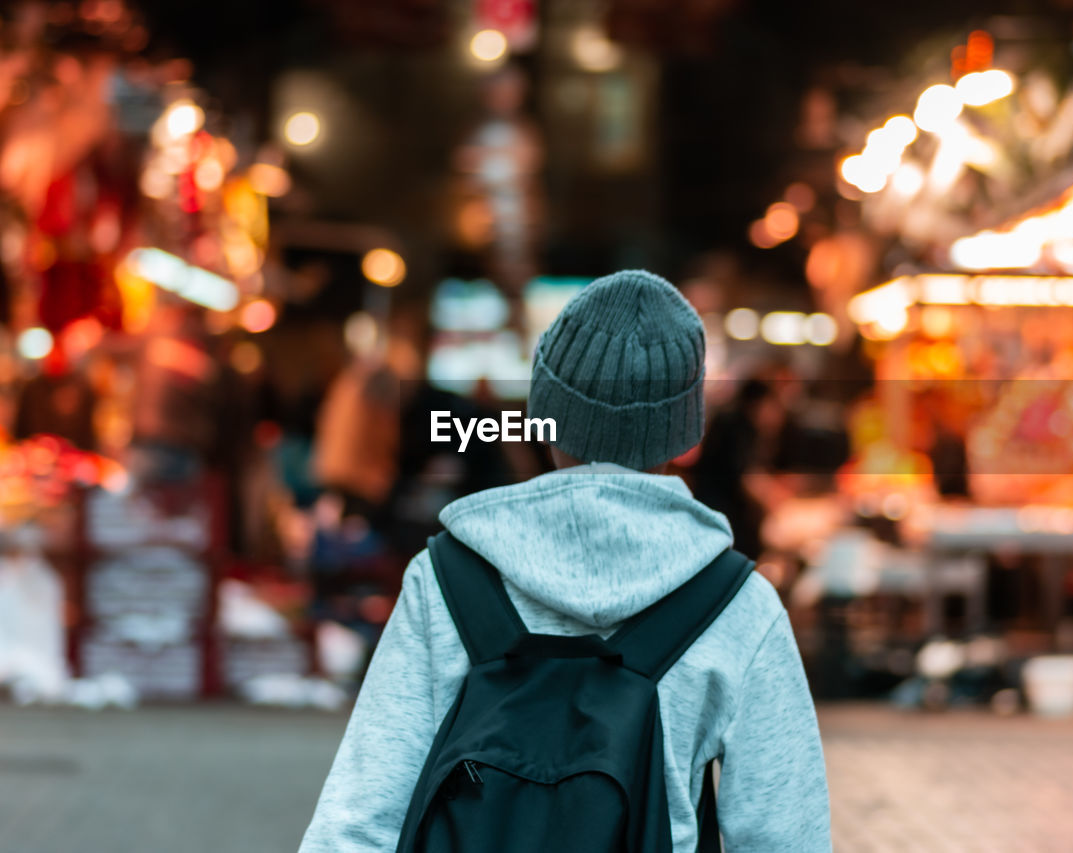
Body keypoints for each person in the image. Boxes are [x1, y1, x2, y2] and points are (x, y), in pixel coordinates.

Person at [299, 270, 831, 852]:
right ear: (685, 434)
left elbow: (358, 817)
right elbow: (786, 835)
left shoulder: (448, 580)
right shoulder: (735, 605)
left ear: (544, 419)